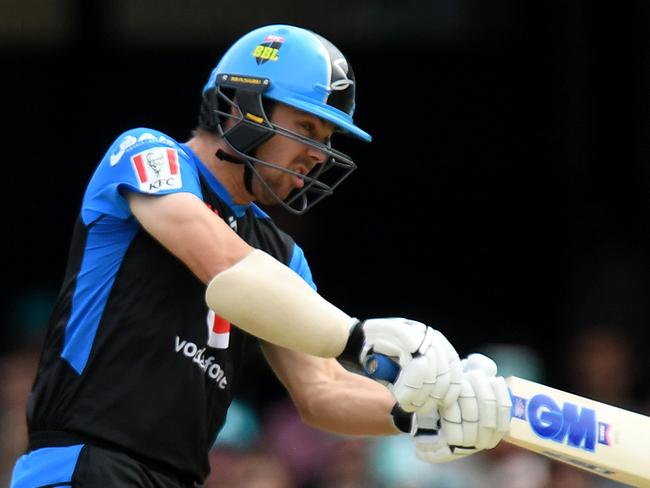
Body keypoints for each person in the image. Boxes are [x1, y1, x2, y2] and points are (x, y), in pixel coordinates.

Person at [10, 24, 512, 488]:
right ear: (242, 107)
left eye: (327, 137)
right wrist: (357, 337)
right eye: (307, 128)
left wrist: (427, 410)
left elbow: (323, 392)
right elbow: (224, 263)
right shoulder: (148, 156)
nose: (319, 152)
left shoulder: (282, 255)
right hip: (80, 464)